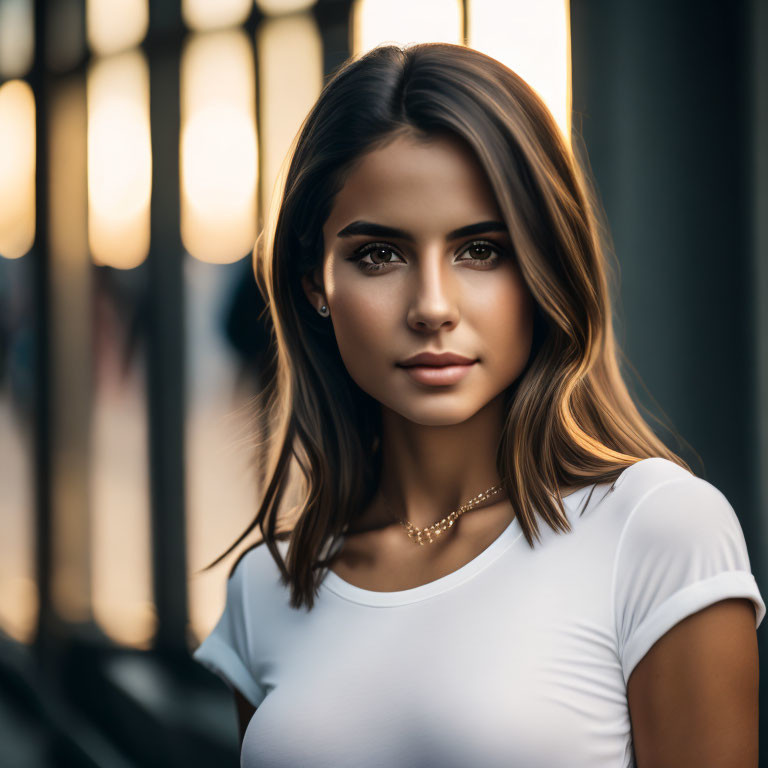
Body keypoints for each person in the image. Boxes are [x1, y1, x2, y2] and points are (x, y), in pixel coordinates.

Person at [192, 42, 764, 767]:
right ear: (314, 283)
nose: (433, 307)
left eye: (481, 250)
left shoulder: (656, 532)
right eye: (379, 255)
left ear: (544, 267)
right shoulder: (268, 589)